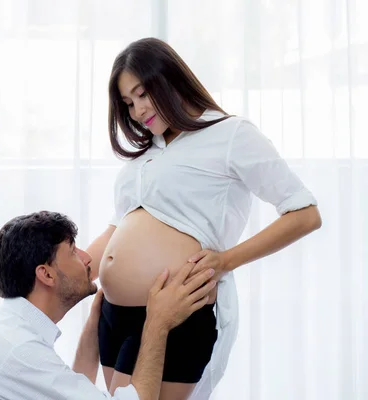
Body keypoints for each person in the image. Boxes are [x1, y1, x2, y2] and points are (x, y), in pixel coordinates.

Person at [86, 37, 322, 400]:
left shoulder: (230, 134)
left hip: (179, 312)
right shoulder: (146, 156)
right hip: (114, 316)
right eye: (128, 103)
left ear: (170, 78)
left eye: (142, 93)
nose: (136, 111)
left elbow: (304, 213)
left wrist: (225, 261)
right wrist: (73, 272)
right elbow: (117, 227)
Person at [0, 211, 218, 400]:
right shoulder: (18, 350)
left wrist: (92, 327)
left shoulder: (3, 332)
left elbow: (67, 388)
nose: (88, 257)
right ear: (46, 274)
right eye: (72, 250)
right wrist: (159, 322)